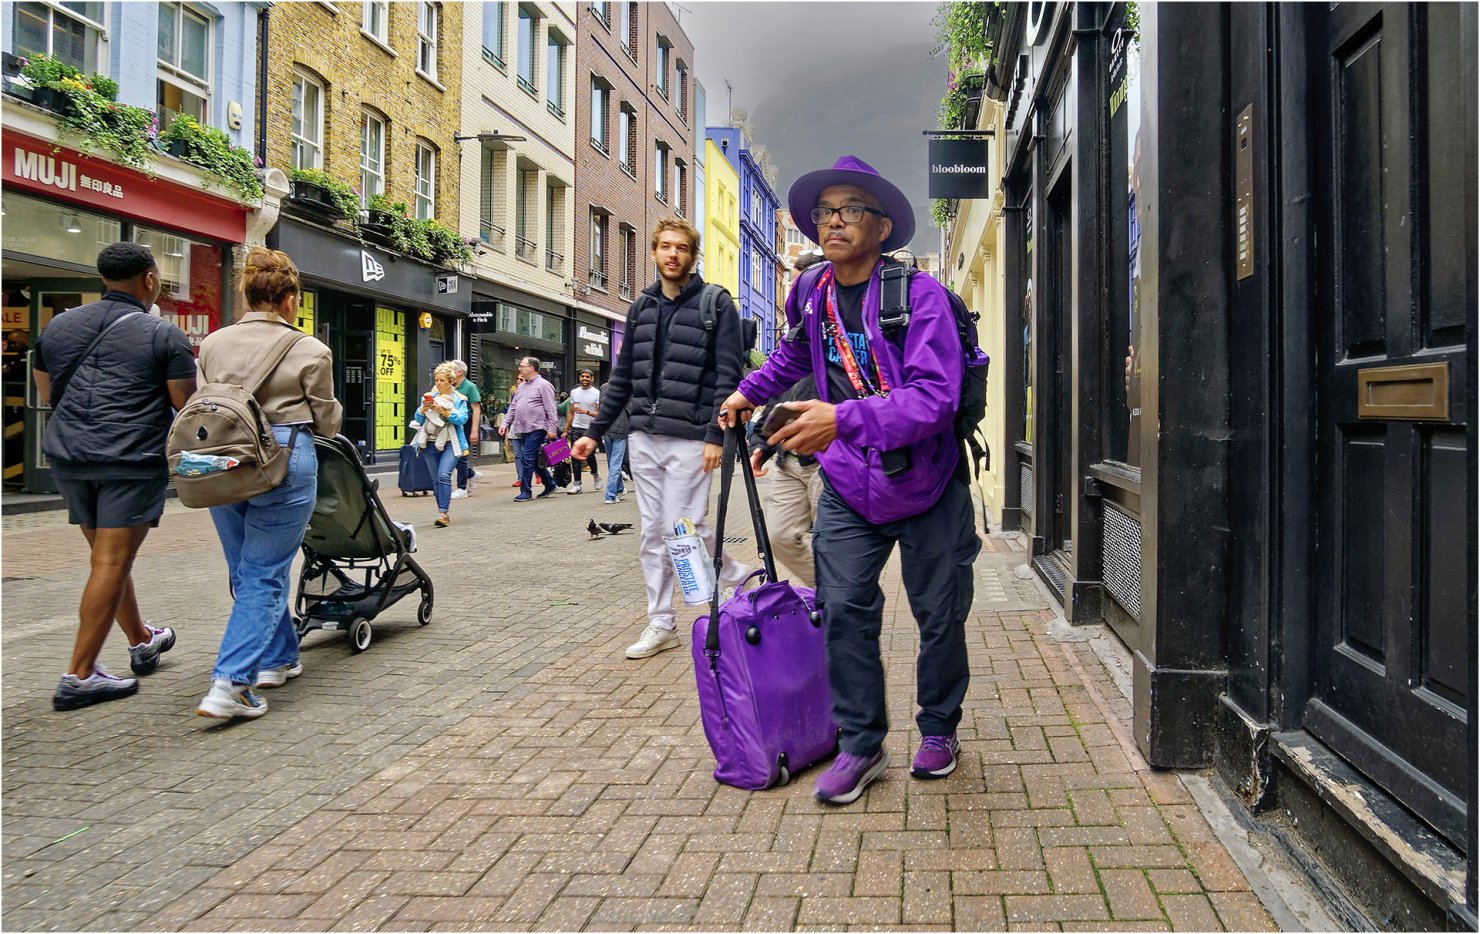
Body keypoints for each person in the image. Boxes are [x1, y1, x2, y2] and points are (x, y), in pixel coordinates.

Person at [720, 156, 981, 804]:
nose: (833, 221)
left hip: (928, 486)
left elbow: (936, 399)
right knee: (842, 612)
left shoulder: (919, 298)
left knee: (940, 616)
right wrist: (748, 392)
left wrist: (841, 419)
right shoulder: (814, 293)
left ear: (882, 226)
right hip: (849, 486)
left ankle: (939, 728)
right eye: (825, 211)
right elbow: (792, 352)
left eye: (850, 209)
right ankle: (862, 744)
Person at [571, 218, 749, 660]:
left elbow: (728, 375)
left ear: (692, 255)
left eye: (682, 248)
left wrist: (716, 434)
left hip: (691, 438)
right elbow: (623, 378)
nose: (673, 254)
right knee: (653, 532)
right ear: (653, 252)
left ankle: (733, 580)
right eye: (665, 246)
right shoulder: (641, 307)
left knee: (683, 528)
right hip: (643, 438)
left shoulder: (716, 304)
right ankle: (662, 621)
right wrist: (594, 433)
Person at [33, 242, 196, 710]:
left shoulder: (58, 326)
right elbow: (185, 406)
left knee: (107, 559)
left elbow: (48, 393)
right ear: (150, 279)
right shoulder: (164, 335)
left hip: (70, 458)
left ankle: (142, 639)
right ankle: (79, 674)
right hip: (129, 460)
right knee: (110, 562)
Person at [193, 248, 343, 719]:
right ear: (290, 299)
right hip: (283, 455)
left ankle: (277, 658)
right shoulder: (310, 349)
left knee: (247, 569)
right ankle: (232, 683)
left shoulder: (213, 344)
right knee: (264, 571)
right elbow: (327, 421)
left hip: (221, 456)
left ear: (246, 293)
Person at [748, 250, 828, 588]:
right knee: (778, 537)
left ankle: (841, 603)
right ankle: (834, 594)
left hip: (826, 462)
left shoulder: (834, 337)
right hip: (788, 459)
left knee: (834, 545)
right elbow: (776, 400)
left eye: (800, 286)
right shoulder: (792, 341)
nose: (793, 294)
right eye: (792, 286)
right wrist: (760, 444)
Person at [410, 362, 470, 527]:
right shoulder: (428, 397)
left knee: (444, 475)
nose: (438, 383)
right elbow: (418, 419)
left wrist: (444, 411)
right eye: (436, 380)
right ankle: (442, 511)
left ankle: (443, 513)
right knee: (436, 480)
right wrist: (424, 409)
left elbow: (462, 419)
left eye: (442, 380)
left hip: (451, 442)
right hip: (430, 442)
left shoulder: (459, 399)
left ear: (451, 381)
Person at [501, 356, 558, 501]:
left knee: (526, 457)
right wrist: (505, 423)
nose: (519, 369)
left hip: (537, 427)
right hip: (523, 428)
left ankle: (525, 491)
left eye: (522, 366)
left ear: (531, 368)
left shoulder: (544, 385)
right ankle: (550, 484)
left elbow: (551, 409)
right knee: (533, 459)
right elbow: (513, 407)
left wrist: (552, 429)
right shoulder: (521, 386)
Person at [449, 359, 482, 499]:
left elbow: (476, 409)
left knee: (461, 456)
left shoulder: (470, 387)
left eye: (451, 369)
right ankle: (472, 474)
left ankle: (461, 488)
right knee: (452, 456)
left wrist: (474, 430)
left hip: (465, 424)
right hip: (453, 424)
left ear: (460, 372)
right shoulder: (450, 386)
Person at [564, 369, 601, 494]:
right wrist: (566, 429)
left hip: (590, 428)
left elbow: (599, 414)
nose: (585, 378)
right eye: (582, 376)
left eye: (587, 377)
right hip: (576, 426)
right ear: (579, 378)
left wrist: (586, 412)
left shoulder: (596, 393)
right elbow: (571, 412)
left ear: (592, 378)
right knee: (575, 455)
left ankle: (595, 473)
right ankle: (577, 484)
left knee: (589, 455)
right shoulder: (574, 392)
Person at [599, 378, 629, 504]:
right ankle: (610, 495)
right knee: (616, 464)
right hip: (620, 428)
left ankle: (619, 488)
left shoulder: (604, 387)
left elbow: (600, 408)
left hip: (606, 428)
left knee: (612, 463)